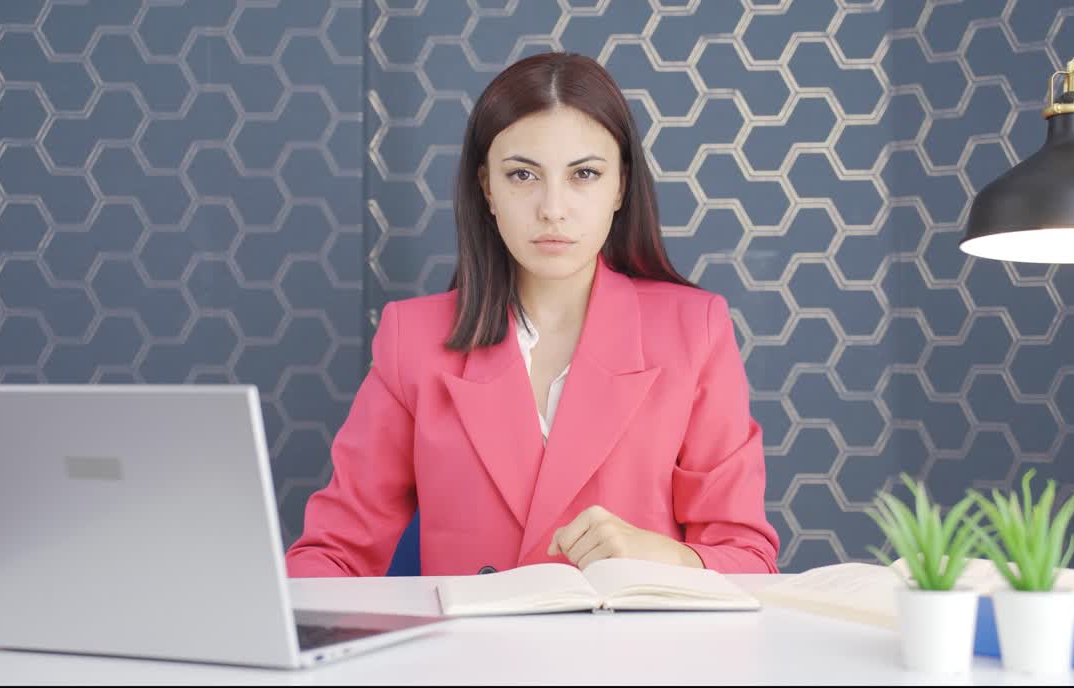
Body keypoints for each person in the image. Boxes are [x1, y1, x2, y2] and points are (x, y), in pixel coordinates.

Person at [286, 52, 779, 577]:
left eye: (584, 174)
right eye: (523, 174)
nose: (552, 208)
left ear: (620, 186)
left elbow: (748, 558)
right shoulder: (413, 338)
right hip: (466, 657)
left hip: (638, 654)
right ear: (487, 188)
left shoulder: (694, 330)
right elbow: (332, 555)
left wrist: (668, 556)